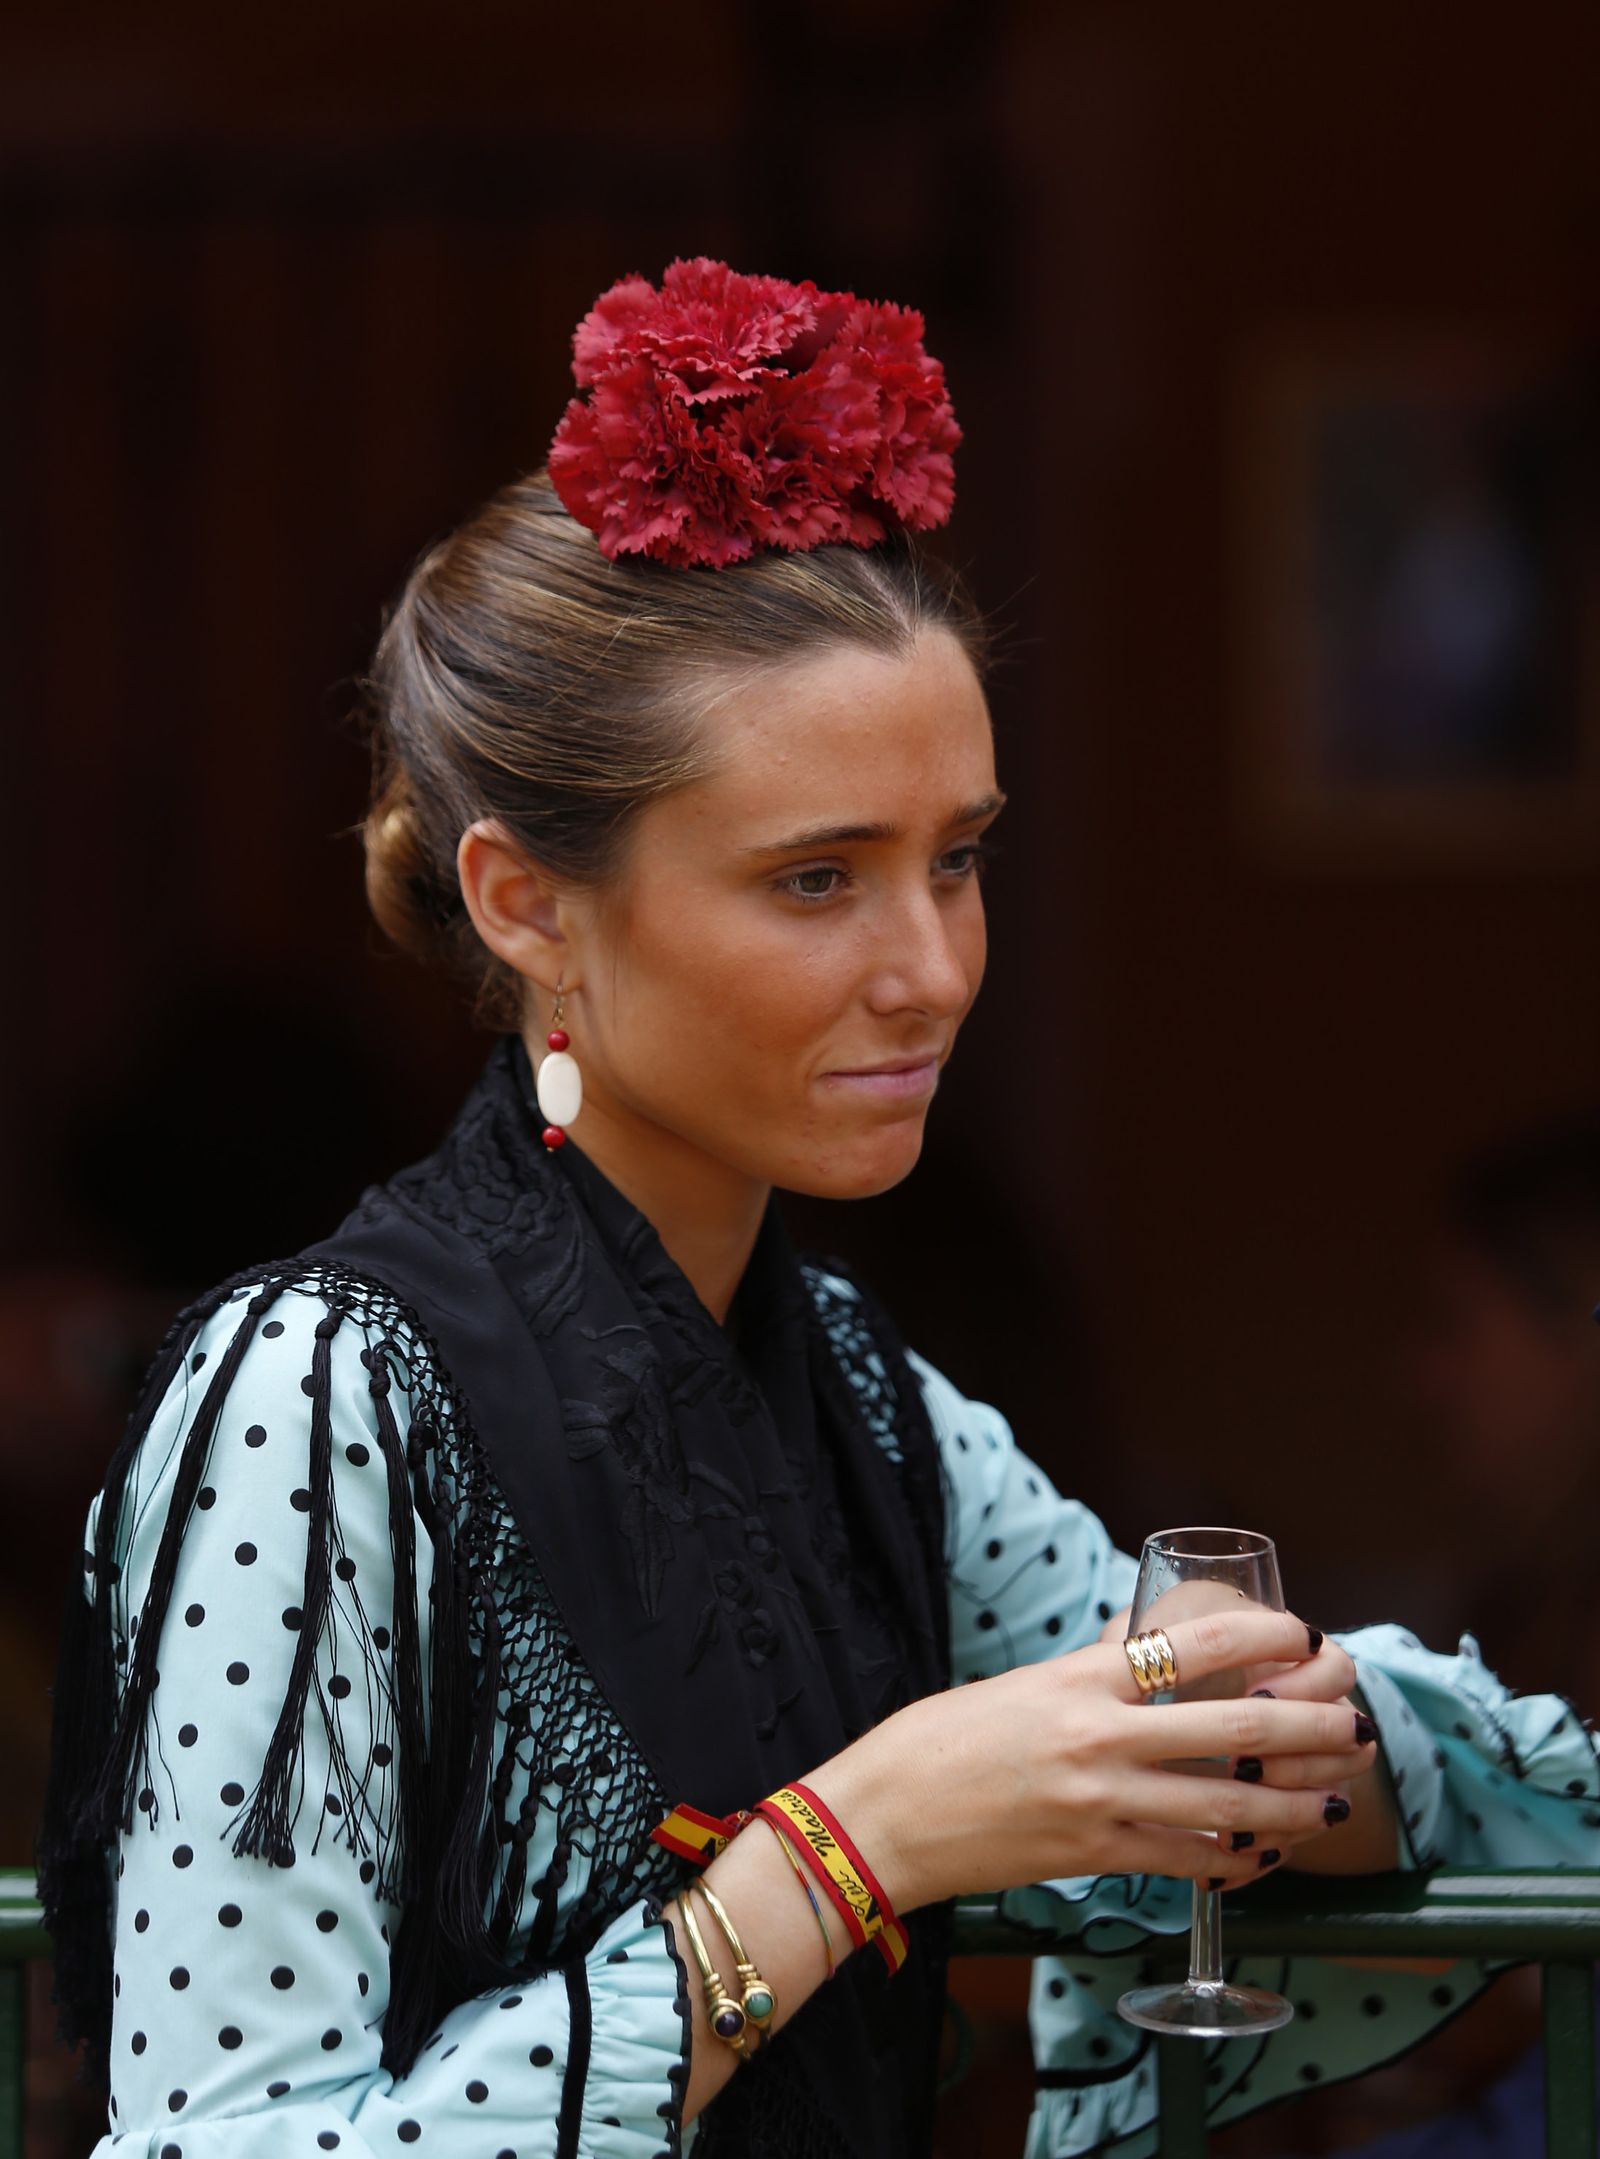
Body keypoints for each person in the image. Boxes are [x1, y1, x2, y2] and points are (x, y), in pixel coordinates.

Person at [36, 257, 1599, 2159]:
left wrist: (1258, 1722)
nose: (931, 970)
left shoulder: (854, 1387)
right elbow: (224, 2140)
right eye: (815, 880)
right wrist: (866, 1839)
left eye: (959, 860)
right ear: (527, 904)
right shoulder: (313, 1395)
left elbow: (1376, 1783)